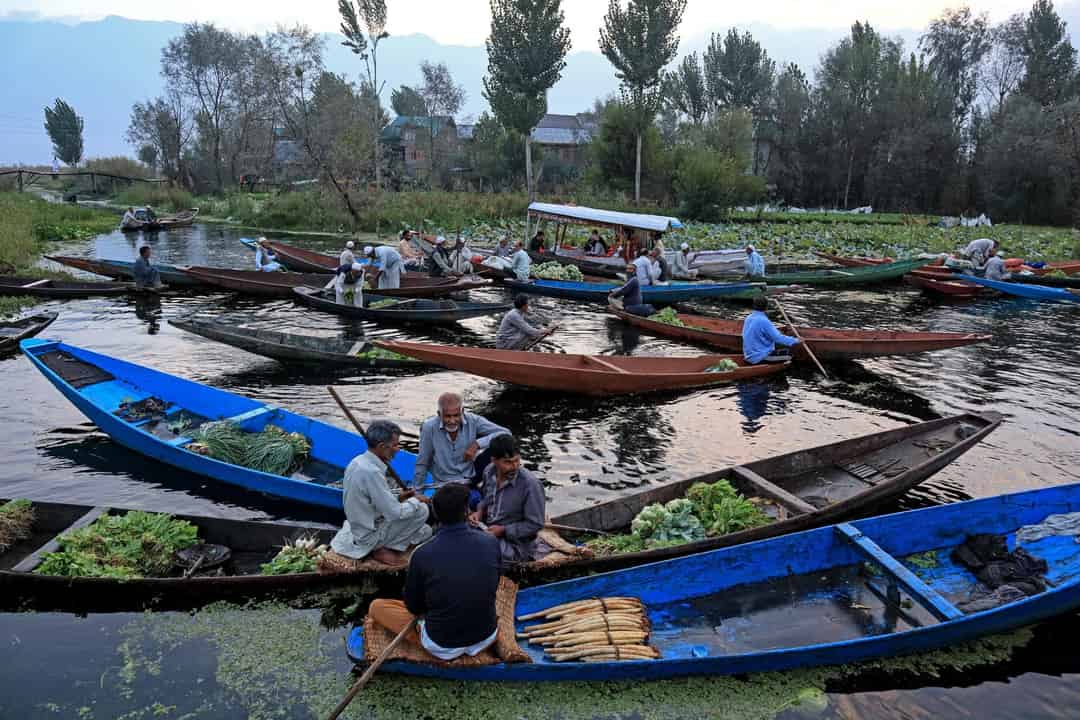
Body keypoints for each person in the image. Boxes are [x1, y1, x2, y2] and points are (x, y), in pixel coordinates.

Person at [367, 483, 501, 660]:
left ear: (435, 514)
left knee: (377, 606)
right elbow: (494, 582)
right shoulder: (491, 542)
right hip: (486, 635)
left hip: (443, 645)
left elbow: (414, 607)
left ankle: (426, 639)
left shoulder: (422, 554)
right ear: (467, 511)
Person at [330, 420, 432, 567]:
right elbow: (394, 513)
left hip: (361, 525)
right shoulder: (372, 472)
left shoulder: (357, 461)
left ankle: (387, 544)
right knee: (422, 511)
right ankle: (382, 548)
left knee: (425, 531)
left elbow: (373, 499)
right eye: (396, 445)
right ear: (382, 447)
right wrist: (417, 500)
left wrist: (399, 497)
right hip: (368, 534)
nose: (398, 449)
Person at [470, 433, 546, 562]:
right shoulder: (489, 471)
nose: (514, 466)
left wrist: (503, 531)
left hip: (516, 545)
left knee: (475, 552)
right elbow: (486, 499)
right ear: (494, 460)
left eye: (517, 460)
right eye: (508, 462)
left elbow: (535, 524)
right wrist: (480, 511)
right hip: (488, 530)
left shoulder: (530, 485)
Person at [413, 393, 510, 489]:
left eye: (456, 415)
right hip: (445, 483)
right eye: (447, 416)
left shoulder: (473, 420)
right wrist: (418, 493)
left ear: (462, 411)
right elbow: (422, 462)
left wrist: (477, 444)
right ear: (439, 414)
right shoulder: (429, 428)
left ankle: (489, 484)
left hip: (471, 477)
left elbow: (506, 434)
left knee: (501, 444)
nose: (452, 421)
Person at [742, 294, 800, 364]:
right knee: (790, 355)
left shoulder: (748, 318)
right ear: (766, 307)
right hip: (760, 357)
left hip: (748, 355)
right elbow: (778, 338)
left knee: (778, 346)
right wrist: (797, 340)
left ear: (753, 306)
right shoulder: (764, 321)